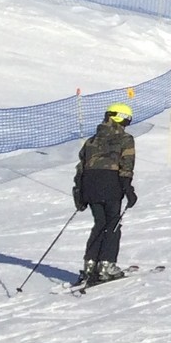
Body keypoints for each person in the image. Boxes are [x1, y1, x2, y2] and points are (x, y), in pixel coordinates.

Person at [73, 102, 138, 285]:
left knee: (99, 224)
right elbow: (126, 165)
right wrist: (128, 189)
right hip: (111, 184)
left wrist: (79, 192)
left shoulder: (92, 140)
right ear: (122, 119)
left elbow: (81, 167)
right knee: (113, 225)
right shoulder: (125, 139)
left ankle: (90, 264)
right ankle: (106, 265)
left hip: (90, 185)